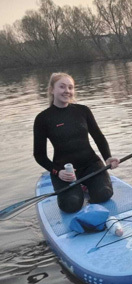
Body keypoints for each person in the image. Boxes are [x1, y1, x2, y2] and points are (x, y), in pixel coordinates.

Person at [33, 72, 119, 213]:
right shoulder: (43, 119)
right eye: (62, 87)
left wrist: (108, 157)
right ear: (51, 90)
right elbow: (39, 155)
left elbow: (98, 137)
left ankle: (86, 186)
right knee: (71, 205)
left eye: (70, 87)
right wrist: (57, 172)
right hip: (64, 170)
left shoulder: (83, 111)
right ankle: (78, 190)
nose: (67, 91)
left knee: (104, 194)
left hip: (90, 164)